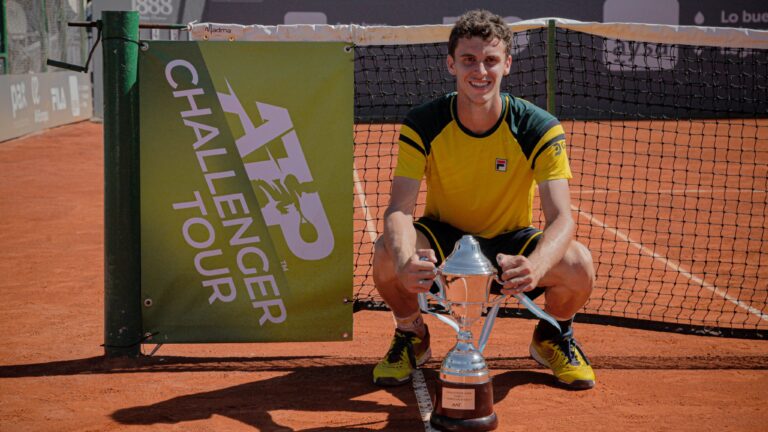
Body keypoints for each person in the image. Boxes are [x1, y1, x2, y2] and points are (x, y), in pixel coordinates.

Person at [371, 9, 596, 390]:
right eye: (469, 60)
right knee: (386, 252)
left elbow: (562, 219)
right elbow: (398, 210)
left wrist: (536, 267)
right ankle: (411, 334)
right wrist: (408, 261)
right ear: (451, 64)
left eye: (491, 60)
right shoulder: (423, 123)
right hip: (446, 239)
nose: (480, 71)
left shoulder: (538, 126)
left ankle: (552, 336)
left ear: (507, 64)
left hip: (510, 244)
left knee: (578, 264)